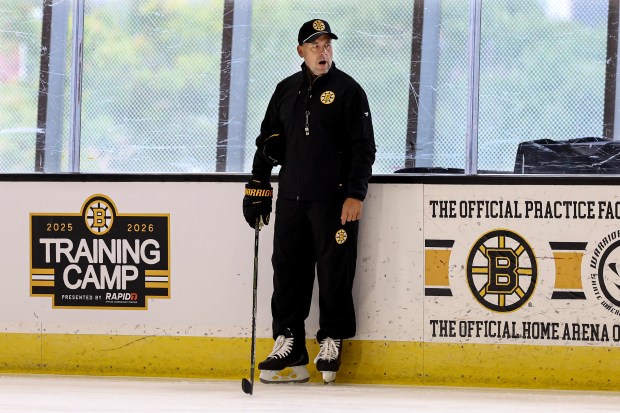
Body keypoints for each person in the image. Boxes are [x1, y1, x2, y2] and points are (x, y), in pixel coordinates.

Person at [242, 18, 376, 384]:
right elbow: (266, 141)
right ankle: (289, 342)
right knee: (287, 271)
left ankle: (331, 339)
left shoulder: (349, 91)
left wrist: (355, 193)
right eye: (315, 46)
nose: (323, 51)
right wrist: (258, 187)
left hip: (334, 202)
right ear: (300, 51)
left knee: (334, 273)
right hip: (292, 200)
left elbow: (363, 148)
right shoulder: (285, 90)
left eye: (327, 45)